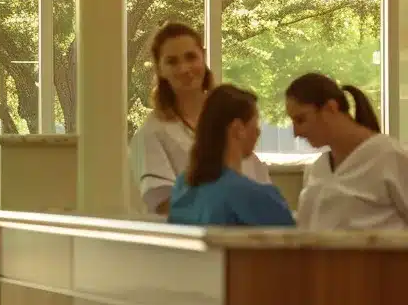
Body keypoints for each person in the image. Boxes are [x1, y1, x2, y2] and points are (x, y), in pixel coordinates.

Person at [130, 23, 270, 218]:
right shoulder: (152, 134)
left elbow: (259, 185)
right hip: (193, 241)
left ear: (203, 56)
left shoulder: (230, 119)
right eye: (172, 62)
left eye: (190, 57)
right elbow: (164, 204)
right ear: (159, 69)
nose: (184, 68)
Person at [285, 74, 408, 230]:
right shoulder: (318, 168)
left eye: (301, 120)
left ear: (331, 108)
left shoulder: (389, 156)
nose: (296, 132)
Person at [168, 84, 294, 227]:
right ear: (238, 128)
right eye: (255, 123)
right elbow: (295, 246)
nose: (258, 132)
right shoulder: (256, 198)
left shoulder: (181, 189)